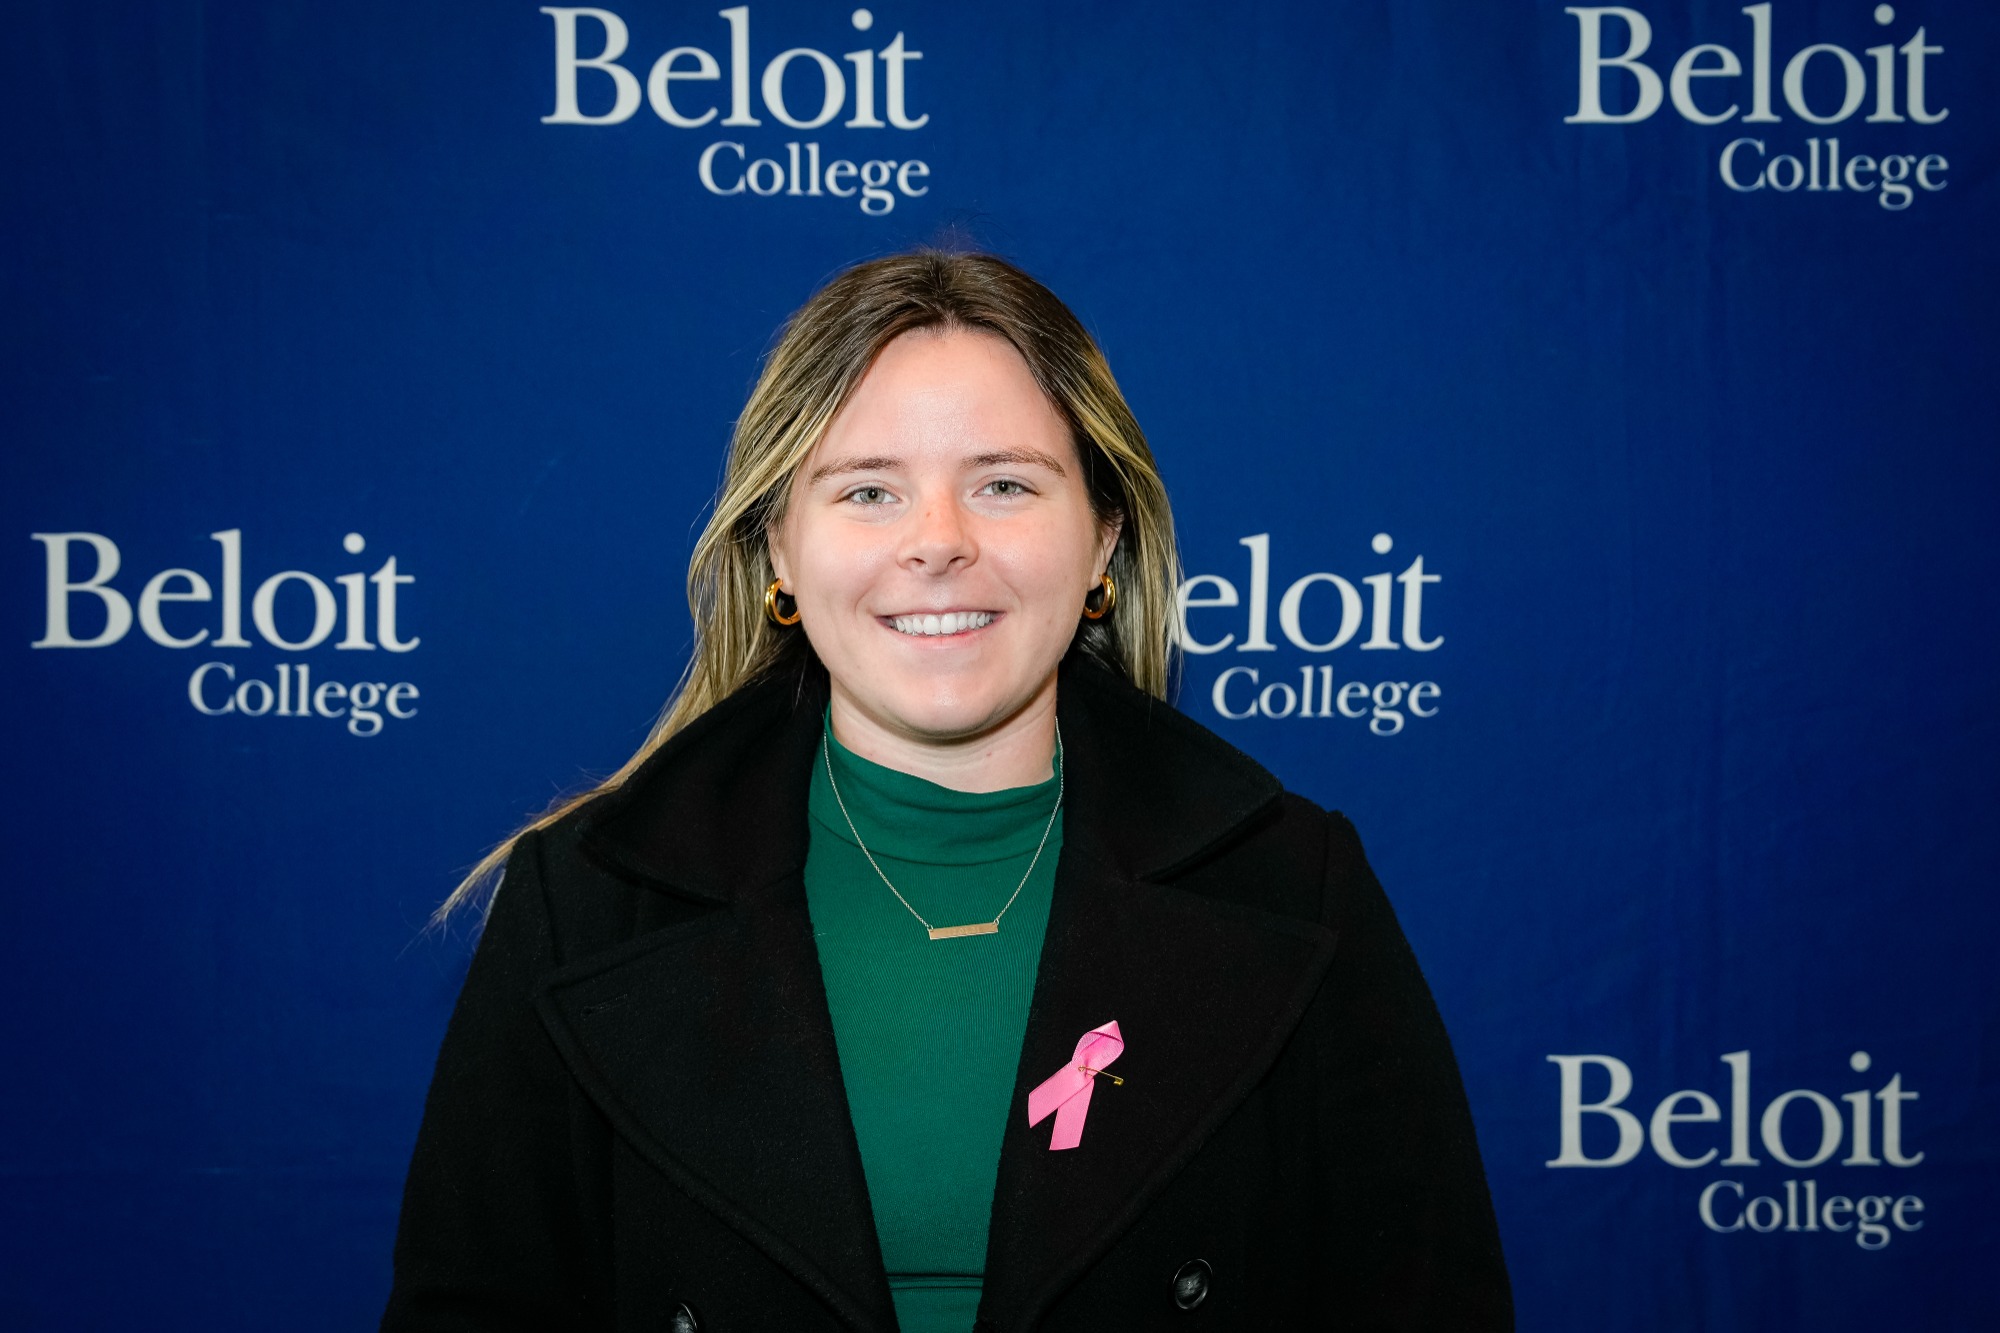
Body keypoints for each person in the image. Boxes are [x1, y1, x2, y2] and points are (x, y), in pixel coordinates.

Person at [380, 250, 1511, 1332]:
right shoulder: (582, 905)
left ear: (1102, 538)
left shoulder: (1291, 888)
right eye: (867, 490)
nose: (938, 544)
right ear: (778, 546)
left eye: (1005, 484)